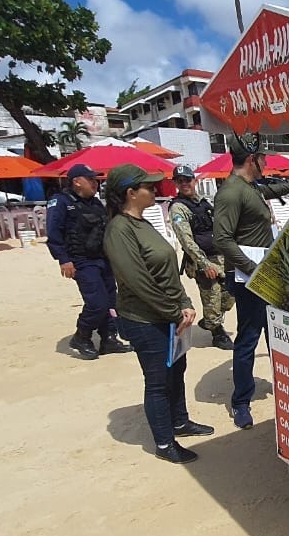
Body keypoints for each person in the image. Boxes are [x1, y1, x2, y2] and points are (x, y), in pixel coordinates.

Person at [103, 163, 214, 464]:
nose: (155, 190)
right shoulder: (119, 229)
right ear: (130, 193)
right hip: (144, 319)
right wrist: (173, 311)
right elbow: (138, 282)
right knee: (157, 380)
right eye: (148, 187)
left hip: (169, 315)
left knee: (176, 370)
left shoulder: (144, 223)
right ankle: (165, 443)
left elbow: (167, 273)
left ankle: (180, 421)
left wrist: (185, 303)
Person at [214, 133, 289, 430]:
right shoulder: (230, 193)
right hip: (249, 278)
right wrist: (251, 269)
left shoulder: (250, 186)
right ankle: (241, 402)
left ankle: (287, 387)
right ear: (251, 160)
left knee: (277, 335)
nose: (266, 162)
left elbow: (269, 189)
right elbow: (222, 239)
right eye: (263, 158)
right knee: (248, 339)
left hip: (265, 274)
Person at [46, 163, 131, 360]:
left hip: (102, 259)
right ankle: (81, 336)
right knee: (97, 303)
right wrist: (63, 259)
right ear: (77, 182)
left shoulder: (94, 203)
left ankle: (109, 338)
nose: (95, 183)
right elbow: (53, 233)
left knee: (111, 301)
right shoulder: (60, 202)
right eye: (90, 180)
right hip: (81, 261)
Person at [167, 165, 235, 351]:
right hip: (202, 261)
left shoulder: (203, 203)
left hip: (221, 256)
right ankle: (217, 332)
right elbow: (186, 240)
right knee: (212, 297)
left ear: (194, 181)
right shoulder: (178, 208)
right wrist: (204, 264)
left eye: (187, 180)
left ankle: (211, 320)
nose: (184, 184)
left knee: (230, 294)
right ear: (176, 184)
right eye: (180, 181)